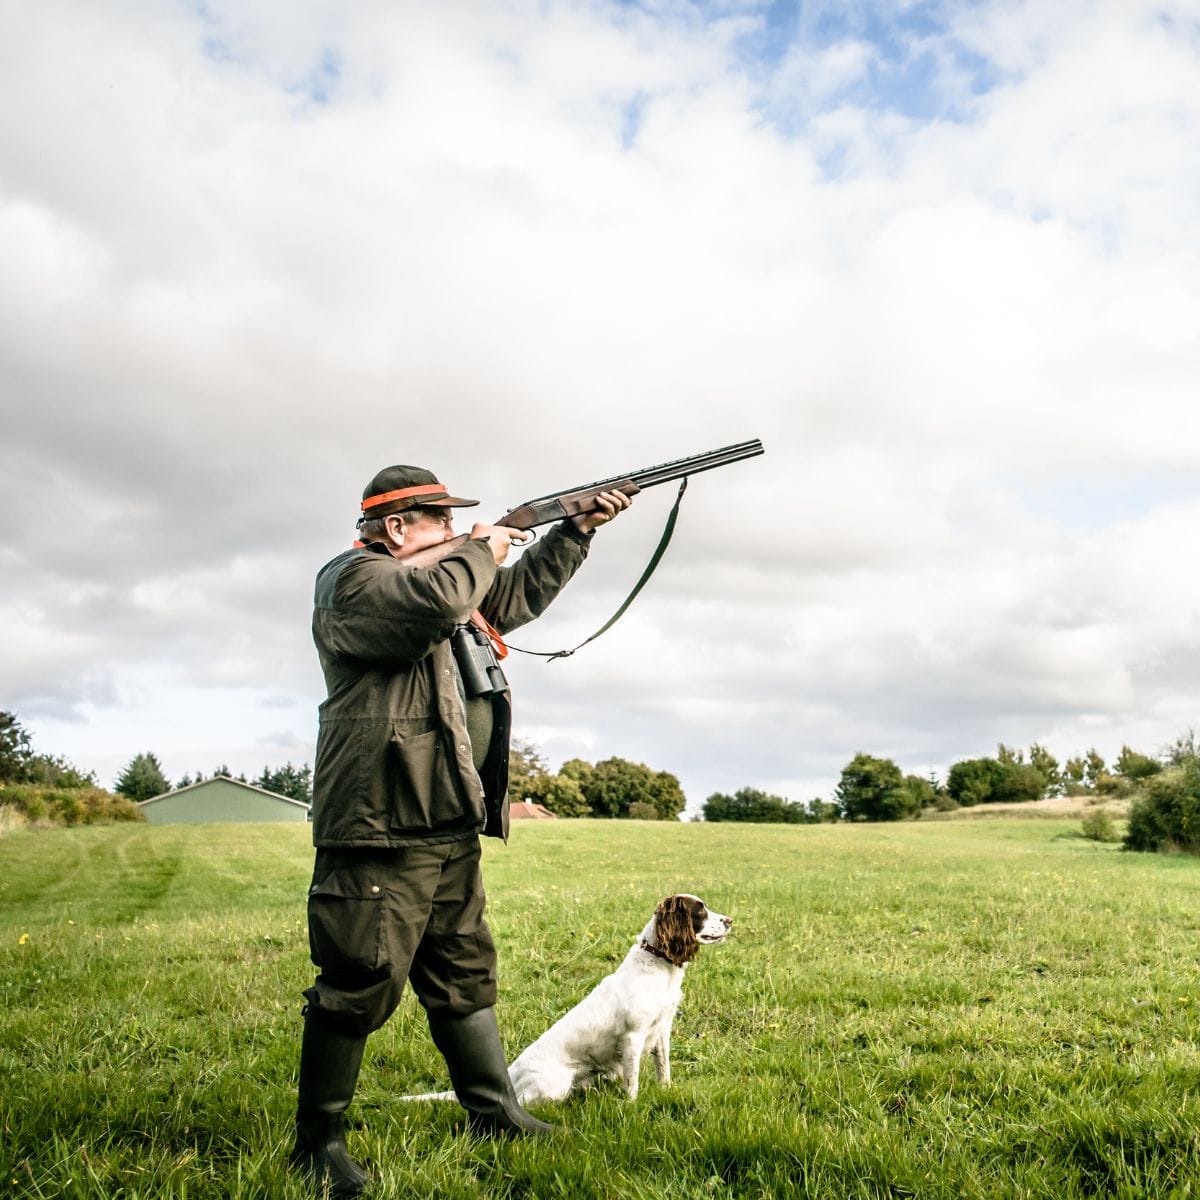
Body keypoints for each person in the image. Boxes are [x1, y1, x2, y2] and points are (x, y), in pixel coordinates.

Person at [292, 463, 631, 1196]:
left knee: (463, 973)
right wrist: (481, 544)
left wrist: (572, 533)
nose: (452, 530)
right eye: (439, 520)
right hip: (382, 822)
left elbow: (507, 598)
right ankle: (317, 1144)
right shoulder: (354, 582)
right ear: (396, 528)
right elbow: (441, 599)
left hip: (446, 817)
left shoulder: (444, 579)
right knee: (359, 979)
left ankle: (493, 1113)